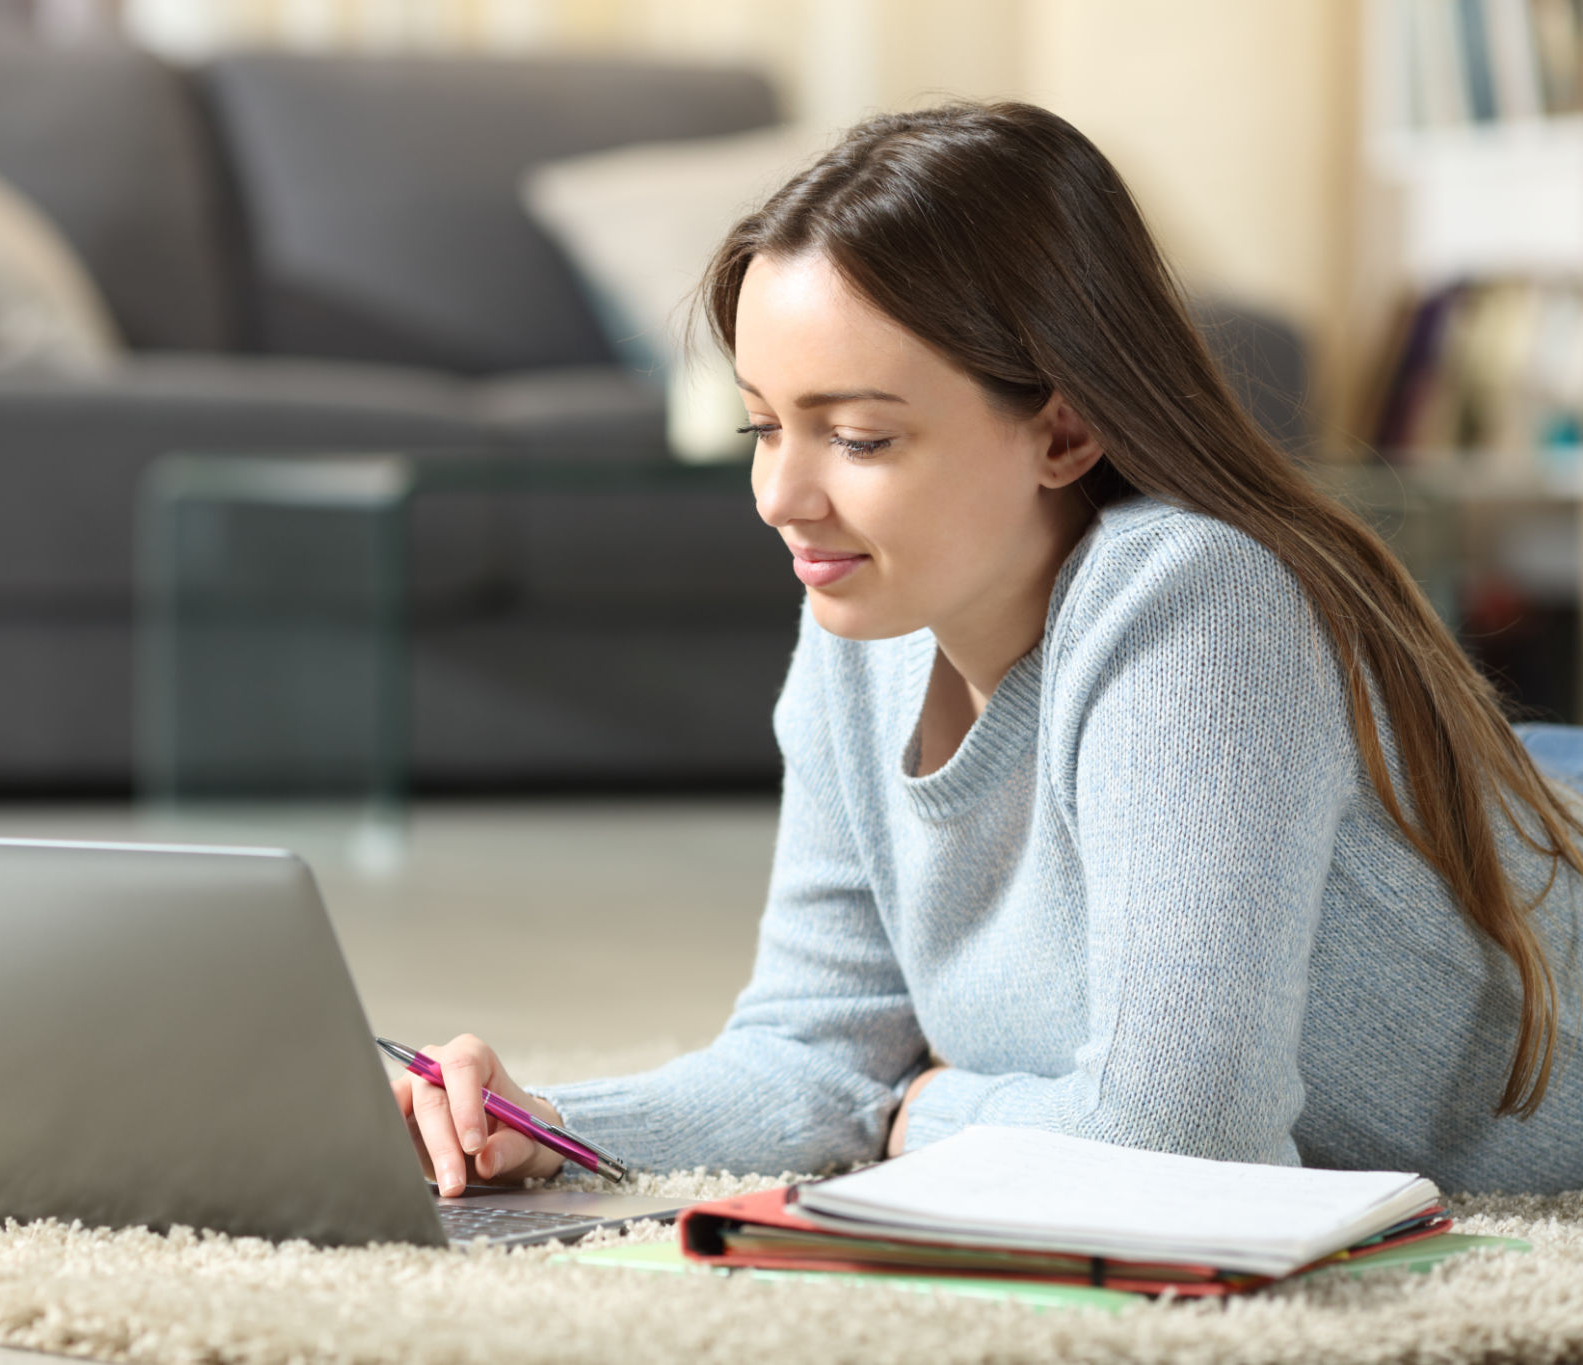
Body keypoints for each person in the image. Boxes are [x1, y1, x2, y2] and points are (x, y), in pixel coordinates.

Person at [393, 101, 1583, 1197]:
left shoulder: (1191, 600)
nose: (779, 496)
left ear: (1062, 430)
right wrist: (541, 1128)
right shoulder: (862, 625)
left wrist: (930, 1113)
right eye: (763, 426)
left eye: (857, 436)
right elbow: (810, 1057)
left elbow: (1185, 1141)